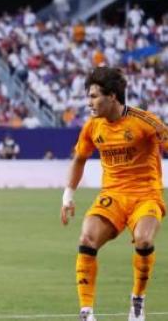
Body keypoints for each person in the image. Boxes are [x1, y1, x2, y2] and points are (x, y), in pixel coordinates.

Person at [61, 67, 167, 321]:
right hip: (113, 196)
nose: (90, 102)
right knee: (87, 239)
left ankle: (137, 301)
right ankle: (86, 313)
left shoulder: (145, 121)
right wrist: (67, 196)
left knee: (144, 241)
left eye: (95, 96)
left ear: (113, 97)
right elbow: (79, 159)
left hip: (146, 195)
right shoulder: (92, 127)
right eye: (89, 96)